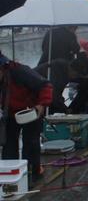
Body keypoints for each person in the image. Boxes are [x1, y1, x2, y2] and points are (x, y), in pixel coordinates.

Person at [0, 51, 53, 184]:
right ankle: (10, 177)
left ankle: (32, 174)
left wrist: (42, 105)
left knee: (31, 143)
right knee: (8, 146)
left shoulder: (20, 71)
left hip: (32, 111)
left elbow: (46, 86)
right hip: (10, 113)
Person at [36, 26, 80, 113]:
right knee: (56, 89)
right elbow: (76, 49)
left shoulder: (50, 32)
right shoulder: (70, 35)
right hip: (61, 67)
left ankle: (52, 107)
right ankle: (58, 108)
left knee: (48, 88)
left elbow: (43, 47)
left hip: (45, 63)